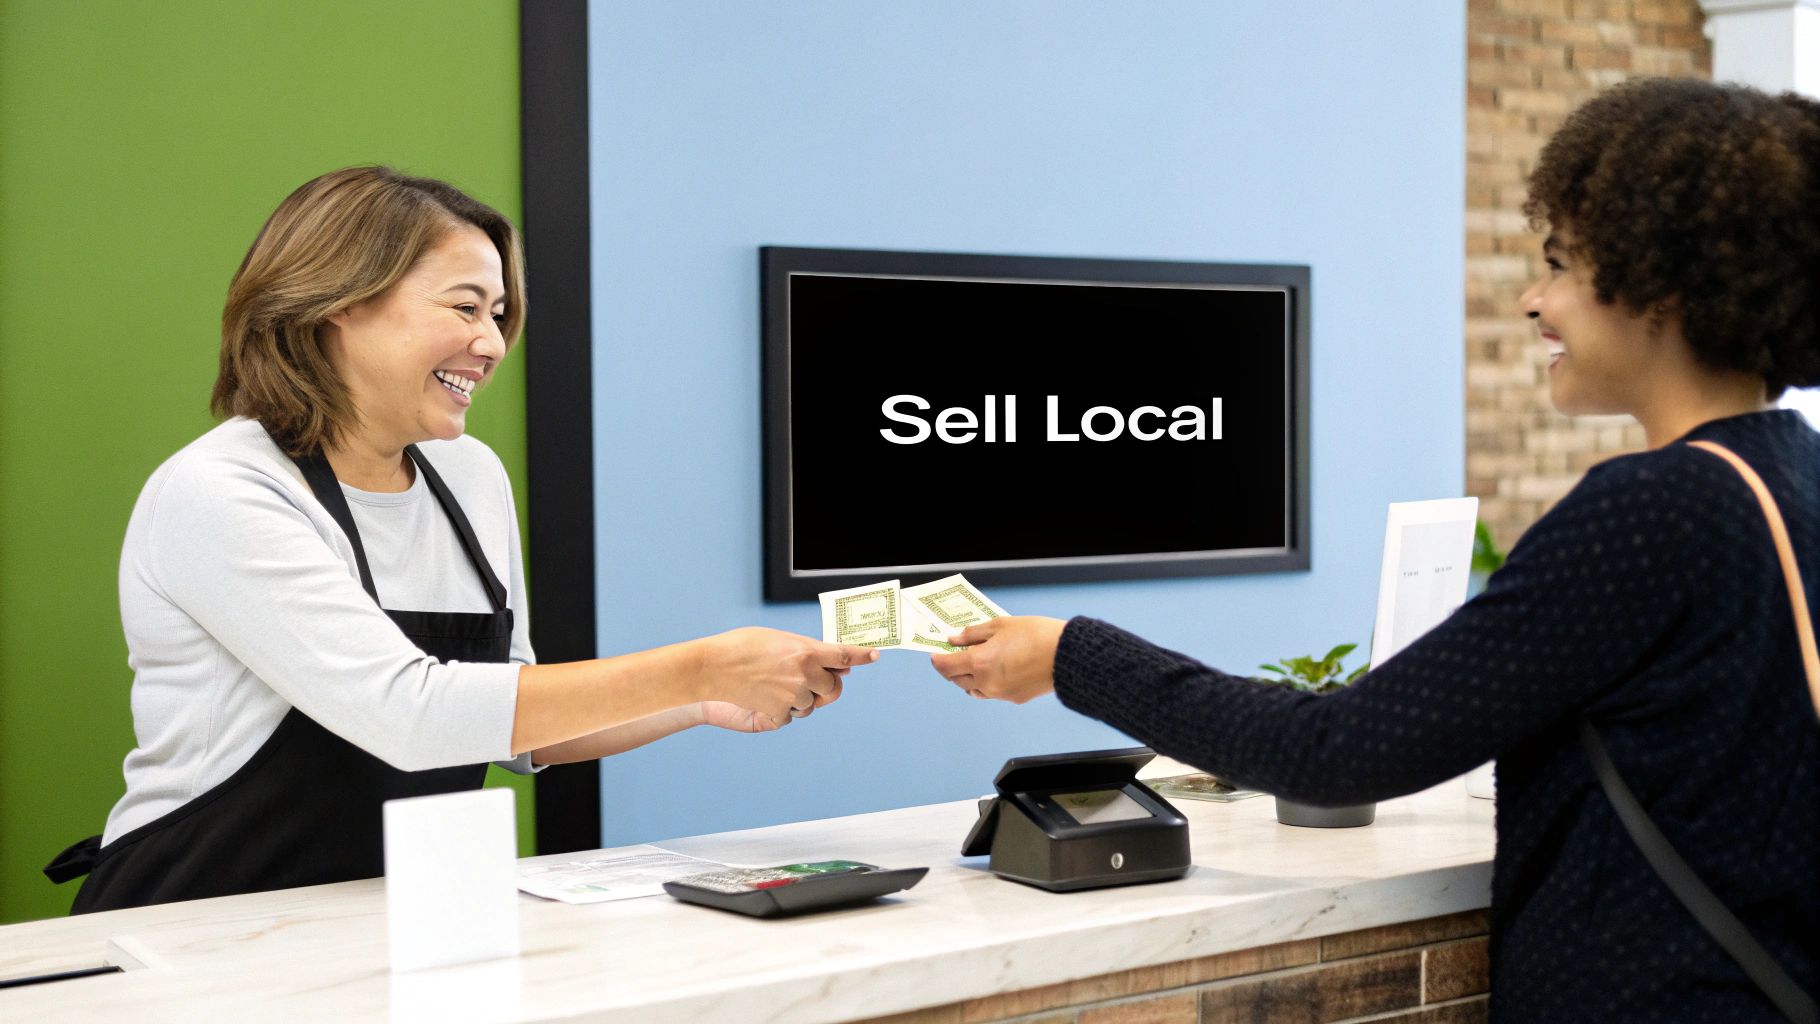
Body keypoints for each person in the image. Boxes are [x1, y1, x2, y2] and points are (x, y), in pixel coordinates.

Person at [930, 79, 1820, 1021]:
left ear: (1661, 284)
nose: (1533, 299)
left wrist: (1072, 655)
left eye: (1560, 263)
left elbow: (1337, 751)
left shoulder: (1658, 508)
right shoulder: (1789, 475)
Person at [44, 166, 877, 914]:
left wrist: (700, 703)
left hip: (389, 913)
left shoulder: (467, 475)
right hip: (198, 916)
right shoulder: (223, 490)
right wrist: (700, 661)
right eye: (465, 307)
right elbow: (408, 714)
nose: (492, 343)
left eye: (501, 313)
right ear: (339, 300)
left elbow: (510, 713)